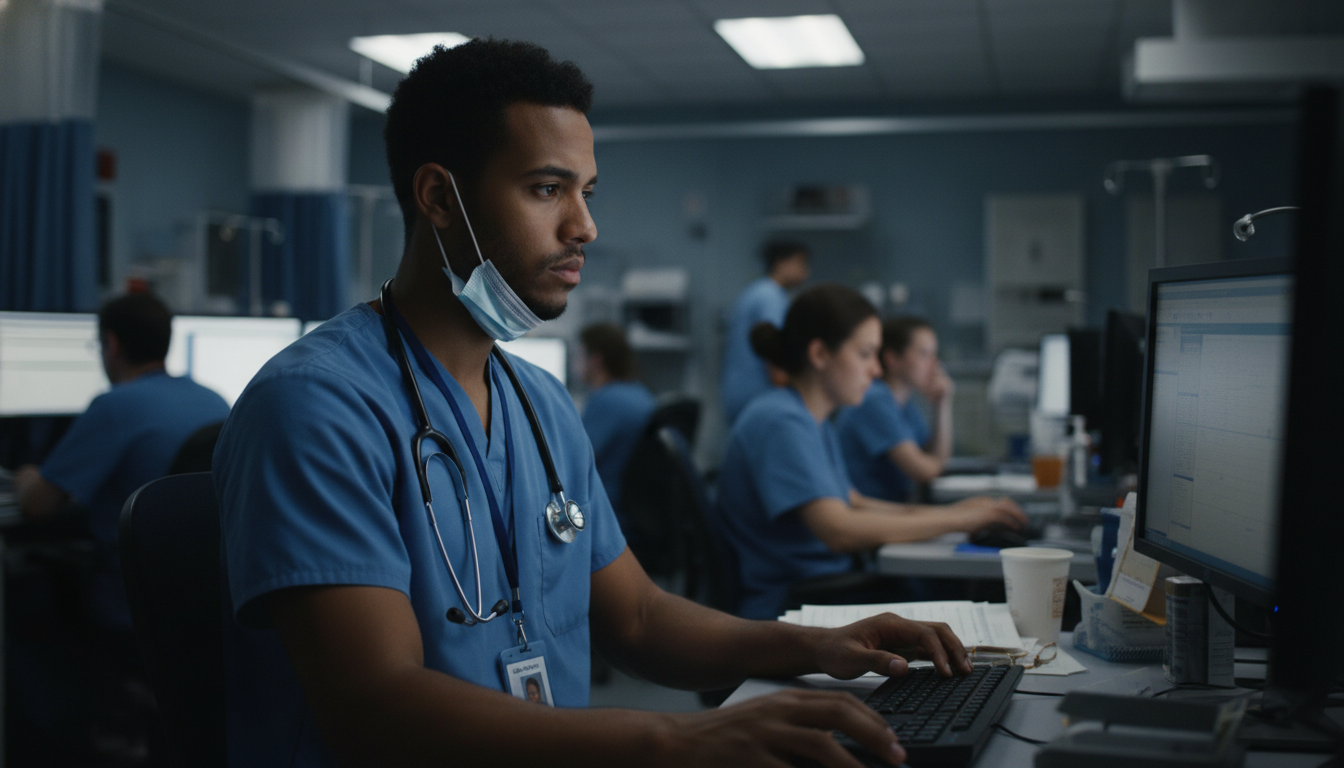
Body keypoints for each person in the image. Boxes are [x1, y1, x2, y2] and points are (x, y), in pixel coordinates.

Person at [213, 39, 977, 768]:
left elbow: (638, 617)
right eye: (547, 189)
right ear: (440, 197)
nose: (585, 226)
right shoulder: (316, 407)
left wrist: (816, 645)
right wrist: (671, 742)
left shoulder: (540, 405)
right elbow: (373, 709)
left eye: (586, 192)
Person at [716, 286, 1027, 621]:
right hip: (794, 607)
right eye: (865, 354)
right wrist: (959, 520)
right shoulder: (782, 422)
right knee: (972, 602)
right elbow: (839, 530)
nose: (876, 370)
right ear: (820, 354)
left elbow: (853, 502)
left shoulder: (811, 420)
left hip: (826, 590)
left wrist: (951, 514)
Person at [14, 292, 230, 627]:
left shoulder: (114, 406)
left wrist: (26, 476)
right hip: (204, 596)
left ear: (111, 344)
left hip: (131, 597)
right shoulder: (215, 400)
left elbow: (37, 505)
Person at [835, 316, 953, 503]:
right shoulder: (875, 400)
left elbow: (935, 457)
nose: (934, 365)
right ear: (893, 359)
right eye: (924, 354)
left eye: (934, 355)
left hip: (889, 509)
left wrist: (942, 405)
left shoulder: (905, 405)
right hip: (868, 513)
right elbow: (924, 471)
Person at [720, 240, 810, 426]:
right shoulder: (770, 296)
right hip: (757, 394)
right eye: (800, 263)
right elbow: (773, 349)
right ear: (780, 263)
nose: (805, 272)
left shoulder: (756, 291)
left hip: (741, 393)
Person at [579, 322, 655, 514]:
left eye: (579, 354)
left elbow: (575, 463)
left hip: (609, 512)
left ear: (595, 359)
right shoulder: (639, 392)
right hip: (636, 511)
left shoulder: (606, 400)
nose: (575, 361)